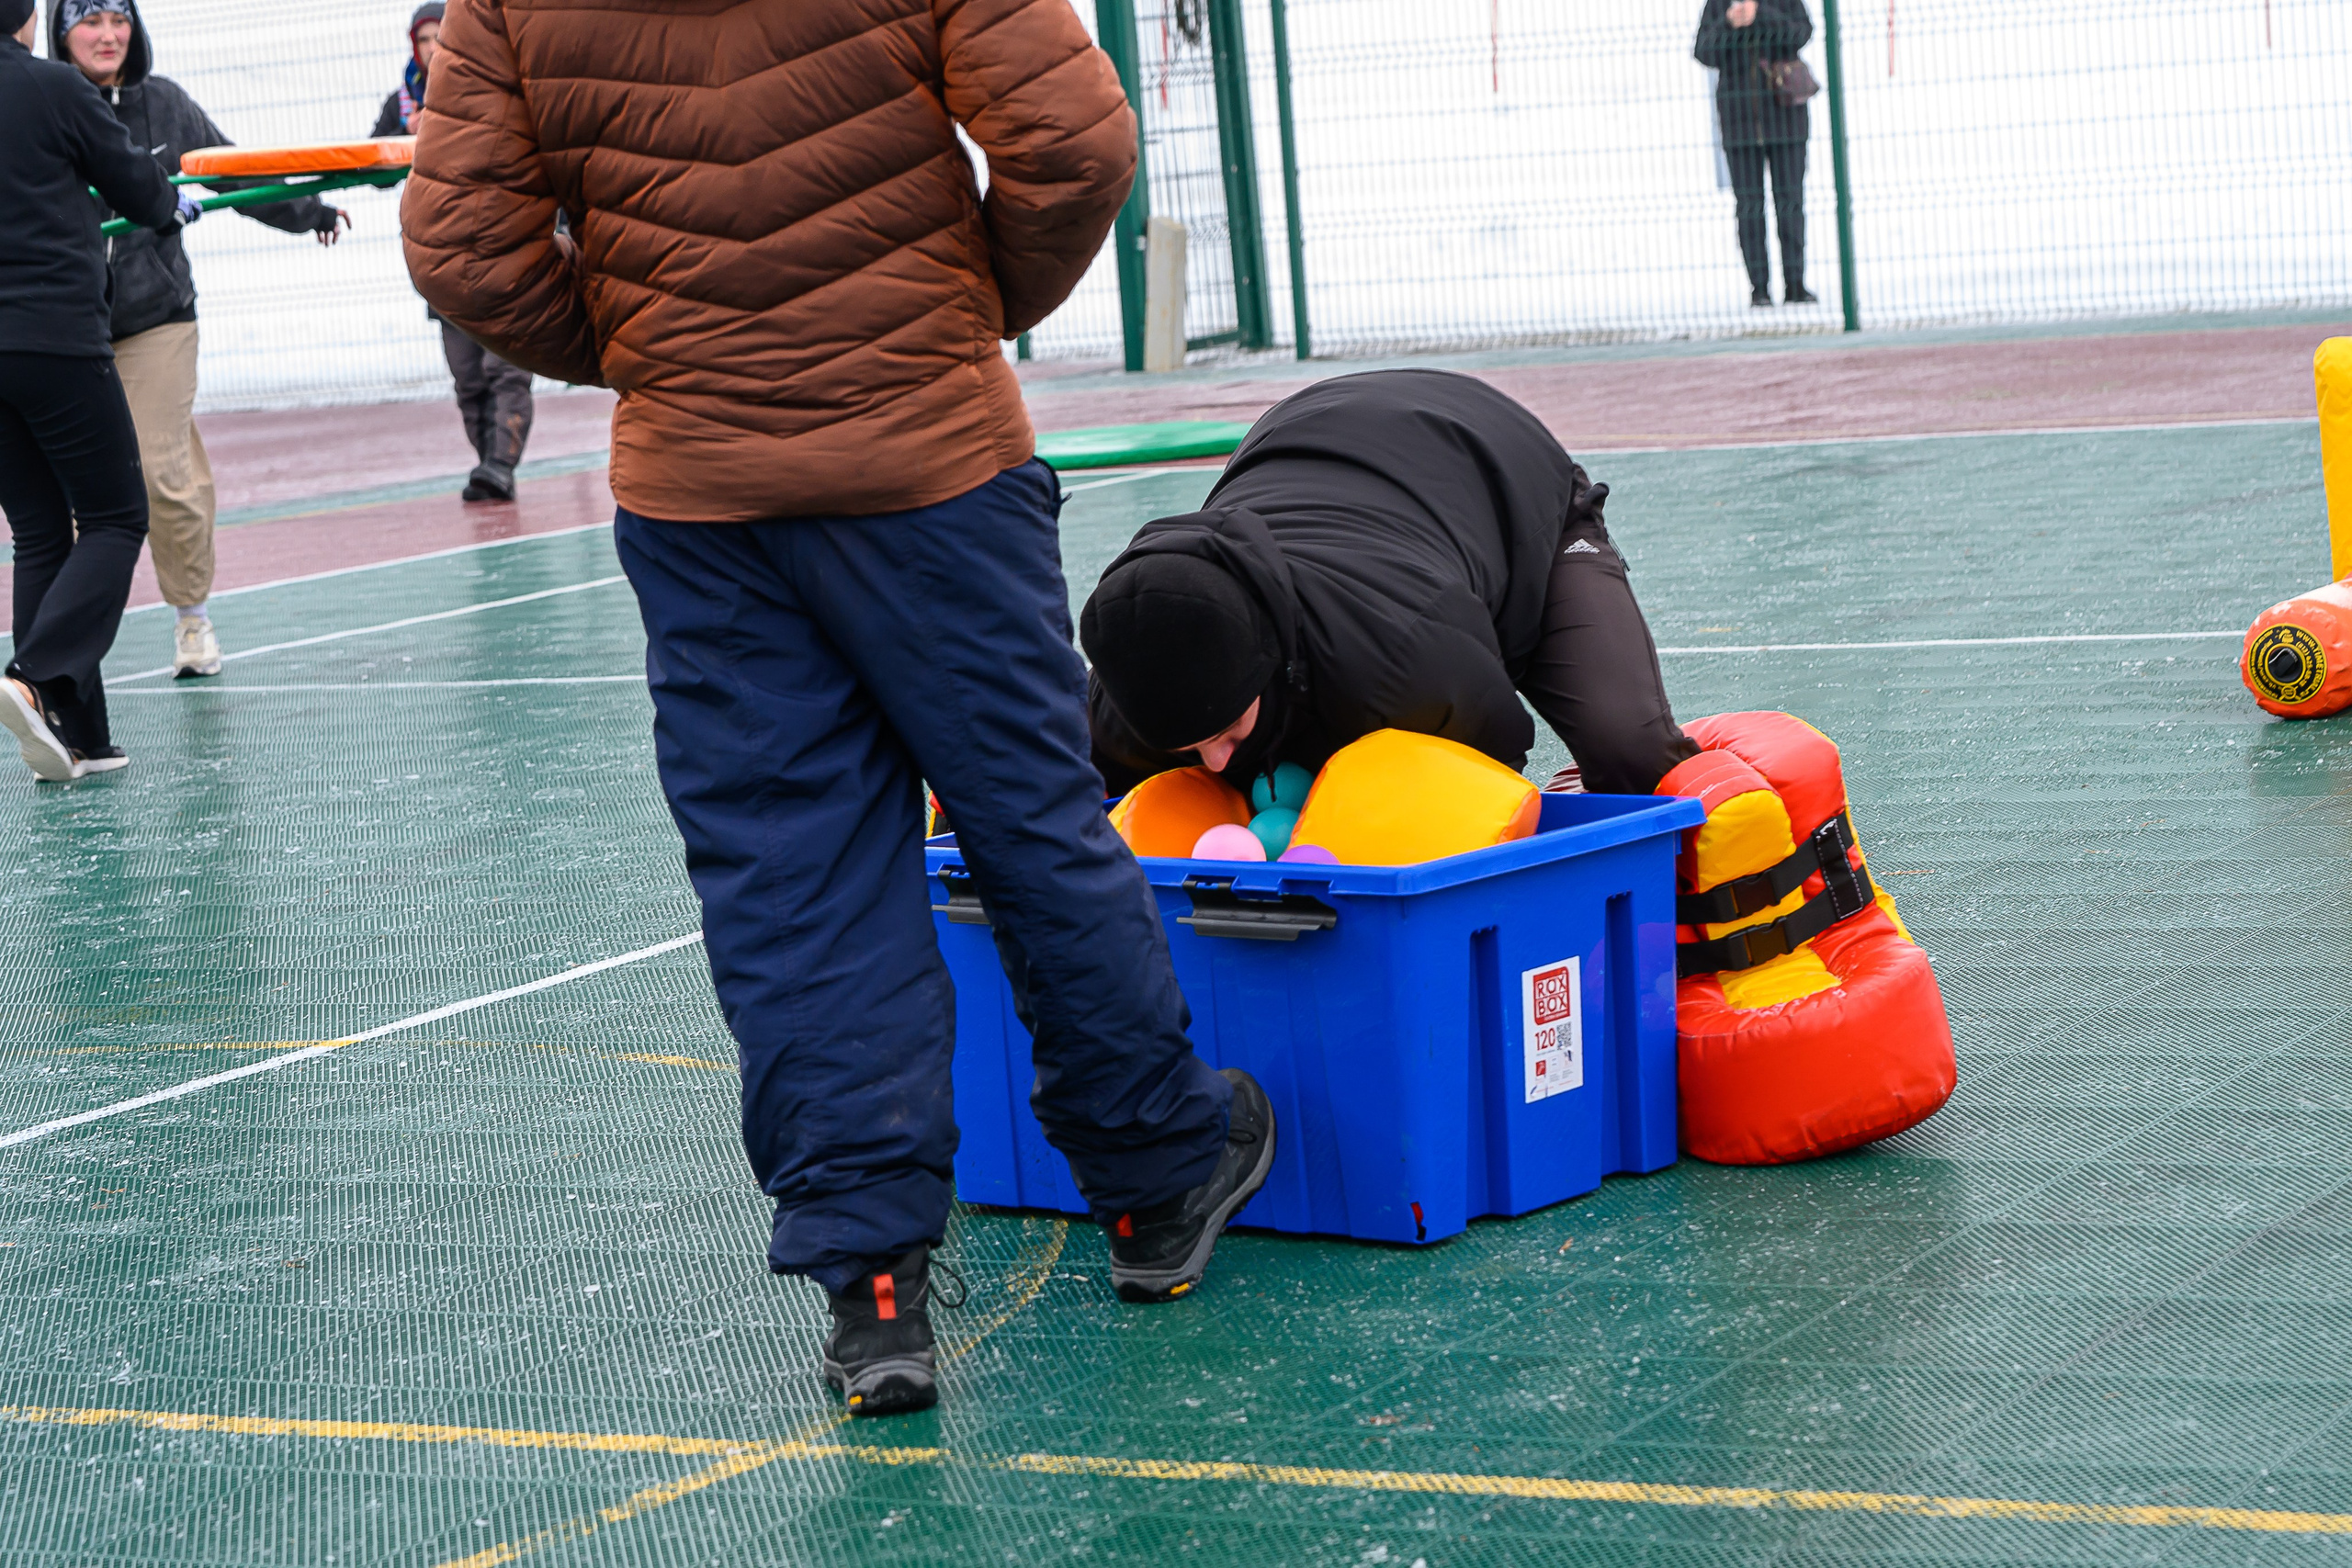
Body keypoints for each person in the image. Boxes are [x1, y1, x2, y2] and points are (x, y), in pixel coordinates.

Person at [401, 0, 1270, 1419]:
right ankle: (1159, 1179)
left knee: (789, 876)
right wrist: (969, 304)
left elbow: (459, 245)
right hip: (933, 459)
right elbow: (1071, 139)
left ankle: (871, 1284)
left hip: (703, 497)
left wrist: (645, 343)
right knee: (1031, 823)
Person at [1081, 370, 1700, 803]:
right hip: (1314, 440)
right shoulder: (1129, 694)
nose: (1214, 760)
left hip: (1505, 480)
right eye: (1189, 745)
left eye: (1223, 733)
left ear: (1266, 662)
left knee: (1631, 753)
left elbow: (1490, 774)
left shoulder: (1404, 662)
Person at [53, 0, 349, 681]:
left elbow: (233, 174)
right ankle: (62, 653)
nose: (107, 36)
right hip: (68, 325)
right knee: (76, 495)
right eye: (89, 22)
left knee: (159, 475)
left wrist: (311, 213)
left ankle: (192, 616)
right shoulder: (45, 104)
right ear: (58, 32)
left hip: (157, 318)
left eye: (118, 20)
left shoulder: (164, 105)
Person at [0, 0, 191, 779]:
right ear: (27, 18)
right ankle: (37, 675)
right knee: (115, 515)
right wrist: (173, 204)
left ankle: (81, 734)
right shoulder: (53, 88)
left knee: (43, 532)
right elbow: (141, 192)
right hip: (52, 335)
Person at [374, 0, 535, 506]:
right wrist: (407, 136)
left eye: (443, 35)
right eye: (425, 39)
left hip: (505, 249)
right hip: (441, 259)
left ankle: (500, 465)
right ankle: (487, 463)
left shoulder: (501, 86)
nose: (434, 46)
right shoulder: (403, 103)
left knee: (504, 368)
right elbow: (374, 164)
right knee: (467, 377)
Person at [1693, 0, 1815, 309]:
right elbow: (1703, 52)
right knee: (1749, 207)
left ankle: (1795, 284)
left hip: (1787, 118)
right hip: (1738, 125)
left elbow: (1801, 34)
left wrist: (1761, 16)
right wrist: (1730, 24)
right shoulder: (1718, 4)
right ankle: (1758, 288)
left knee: (1790, 202)